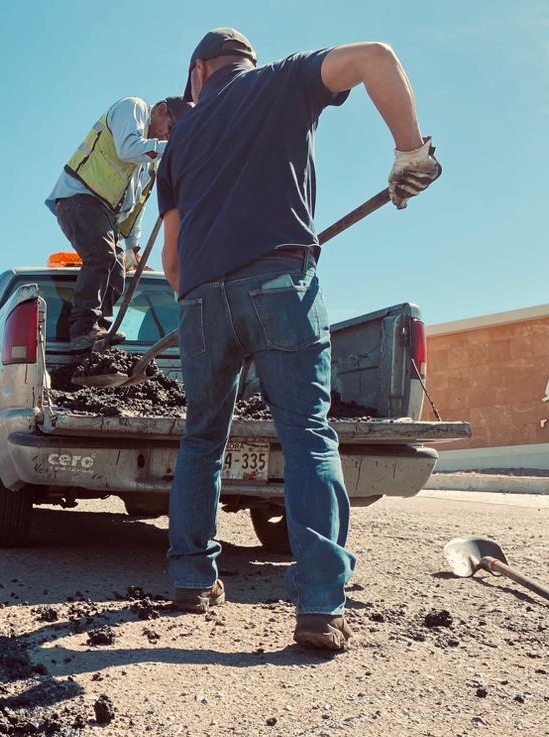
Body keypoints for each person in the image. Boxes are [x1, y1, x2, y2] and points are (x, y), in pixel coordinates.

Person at [158, 28, 441, 650]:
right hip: (280, 282)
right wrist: (409, 151)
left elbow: (173, 263)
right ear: (243, 63)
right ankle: (318, 605)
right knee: (307, 435)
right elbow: (376, 58)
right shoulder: (281, 81)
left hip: (201, 300)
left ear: (198, 72)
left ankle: (191, 581)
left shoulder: (178, 146)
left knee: (202, 440)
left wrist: (204, 301)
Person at [47, 96, 191, 348]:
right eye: (170, 130)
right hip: (79, 196)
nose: (168, 138)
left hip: (105, 213)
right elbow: (127, 149)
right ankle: (82, 327)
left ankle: (96, 334)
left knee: (116, 271)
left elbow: (135, 208)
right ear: (161, 110)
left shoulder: (150, 161)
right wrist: (177, 146)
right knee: (102, 257)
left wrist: (132, 249)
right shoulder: (132, 108)